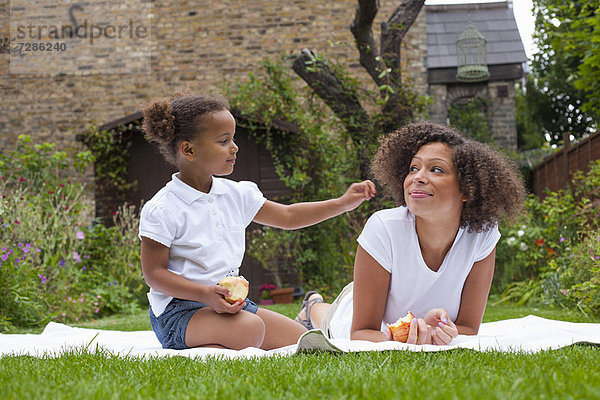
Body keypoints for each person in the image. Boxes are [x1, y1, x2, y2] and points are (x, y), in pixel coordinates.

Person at [138, 92, 376, 351]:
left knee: (305, 342)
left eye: (233, 138)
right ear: (189, 149)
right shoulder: (163, 208)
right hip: (180, 313)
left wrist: (342, 202)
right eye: (223, 140)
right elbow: (154, 274)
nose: (234, 147)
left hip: (230, 305)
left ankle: (306, 314)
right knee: (251, 330)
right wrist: (204, 294)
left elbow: (288, 216)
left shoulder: (236, 195)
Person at [295, 122, 525, 345]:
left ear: (467, 189)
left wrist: (442, 334)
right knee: (327, 318)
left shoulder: (481, 236)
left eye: (436, 169)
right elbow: (362, 332)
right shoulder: (384, 228)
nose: (418, 177)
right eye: (414, 168)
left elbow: (468, 328)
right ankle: (312, 306)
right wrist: (408, 339)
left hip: (403, 317)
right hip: (353, 311)